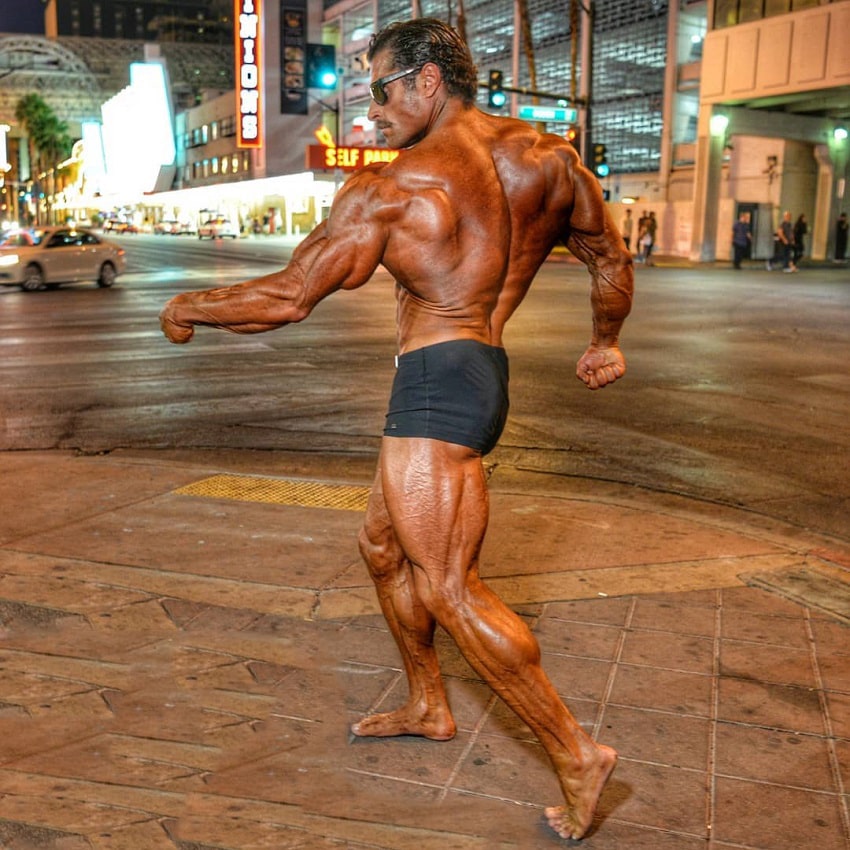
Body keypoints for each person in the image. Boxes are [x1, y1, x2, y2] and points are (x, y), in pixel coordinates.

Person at [160, 18, 633, 842]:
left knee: (450, 587)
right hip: (479, 371)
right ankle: (427, 701)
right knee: (382, 549)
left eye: (378, 91)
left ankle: (575, 752)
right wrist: (605, 342)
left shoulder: (397, 188)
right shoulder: (550, 160)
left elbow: (288, 296)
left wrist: (186, 308)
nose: (371, 112)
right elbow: (611, 260)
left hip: (434, 384)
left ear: (425, 82)